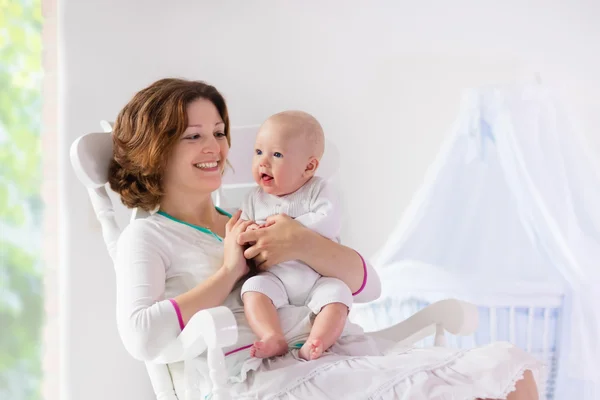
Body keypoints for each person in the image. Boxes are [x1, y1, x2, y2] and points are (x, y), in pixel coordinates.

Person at [109, 77, 541, 399]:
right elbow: (141, 338)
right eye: (194, 136)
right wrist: (227, 273)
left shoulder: (255, 217)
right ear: (156, 149)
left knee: (513, 377)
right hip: (261, 376)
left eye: (219, 132)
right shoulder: (148, 237)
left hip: (324, 351)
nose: (215, 147)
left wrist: (302, 242)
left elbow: (369, 287)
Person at [239, 110, 351, 361]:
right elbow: (245, 231)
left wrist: (288, 230)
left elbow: (329, 222)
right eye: (258, 152)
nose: (263, 162)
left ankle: (318, 340)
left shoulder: (318, 190)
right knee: (252, 289)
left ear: (309, 166)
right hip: (276, 277)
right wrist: (251, 232)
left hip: (317, 276)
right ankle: (272, 336)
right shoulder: (254, 198)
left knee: (339, 295)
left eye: (276, 154)